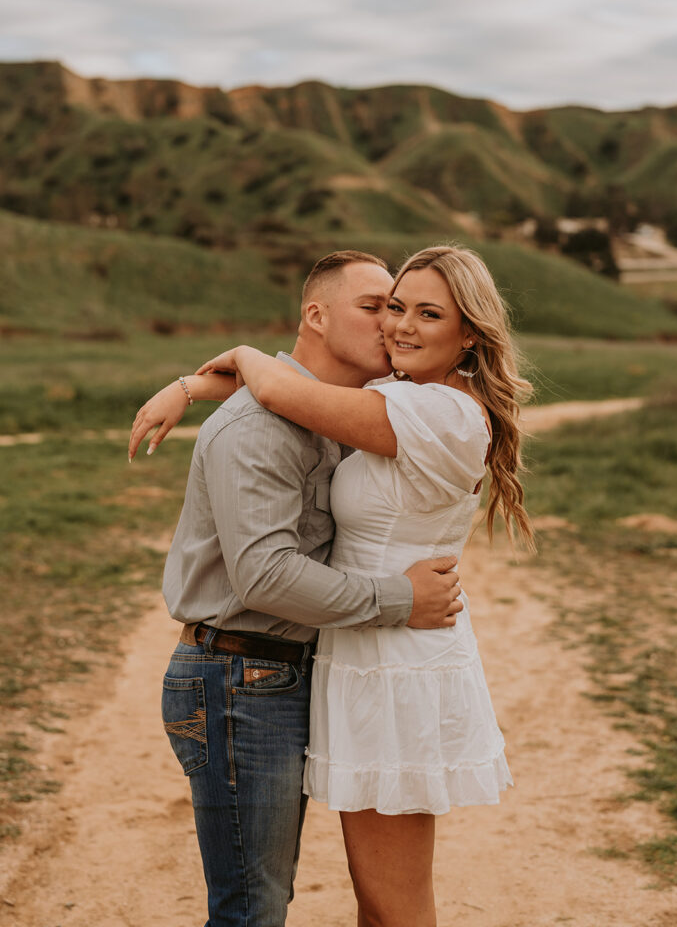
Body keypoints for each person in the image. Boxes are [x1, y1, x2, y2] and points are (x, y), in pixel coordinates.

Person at [184, 244, 535, 927]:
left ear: (469, 333)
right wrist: (191, 388)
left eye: (427, 313)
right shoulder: (405, 399)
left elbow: (286, 390)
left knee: (393, 905)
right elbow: (307, 395)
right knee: (378, 903)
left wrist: (241, 352)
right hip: (367, 654)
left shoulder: (438, 415)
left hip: (394, 664)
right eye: (393, 307)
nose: (399, 326)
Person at [129, 250, 463, 927]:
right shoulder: (258, 428)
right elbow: (266, 574)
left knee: (273, 899)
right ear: (315, 314)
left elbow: (288, 385)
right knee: (251, 910)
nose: (391, 325)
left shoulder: (340, 413)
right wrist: (400, 599)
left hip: (283, 675)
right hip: (237, 678)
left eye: (401, 309)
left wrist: (196, 383)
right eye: (375, 307)